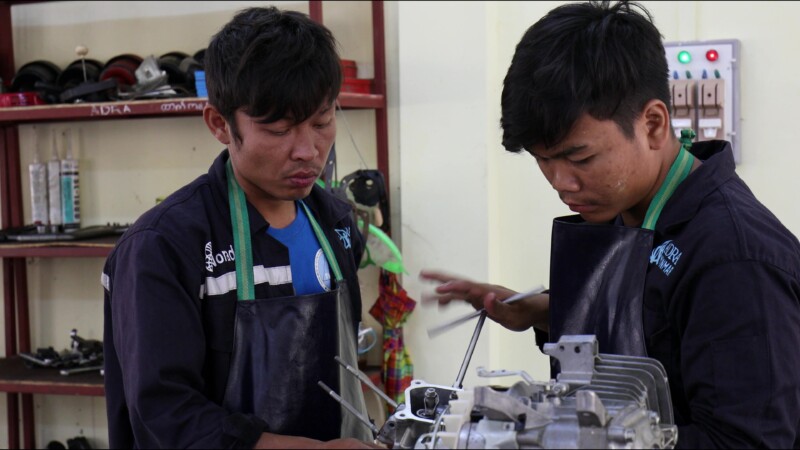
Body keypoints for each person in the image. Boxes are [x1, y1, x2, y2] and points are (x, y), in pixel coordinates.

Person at [422, 1, 800, 448]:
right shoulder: (627, 207)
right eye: (543, 160)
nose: (561, 183)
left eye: (580, 158)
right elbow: (661, 321)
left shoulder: (734, 257)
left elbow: (746, 441)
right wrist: (544, 311)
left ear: (654, 125)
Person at [102, 7, 380, 449]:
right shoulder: (164, 247)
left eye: (323, 122)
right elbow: (166, 416)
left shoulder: (337, 223)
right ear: (219, 124)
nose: (309, 150)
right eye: (279, 129)